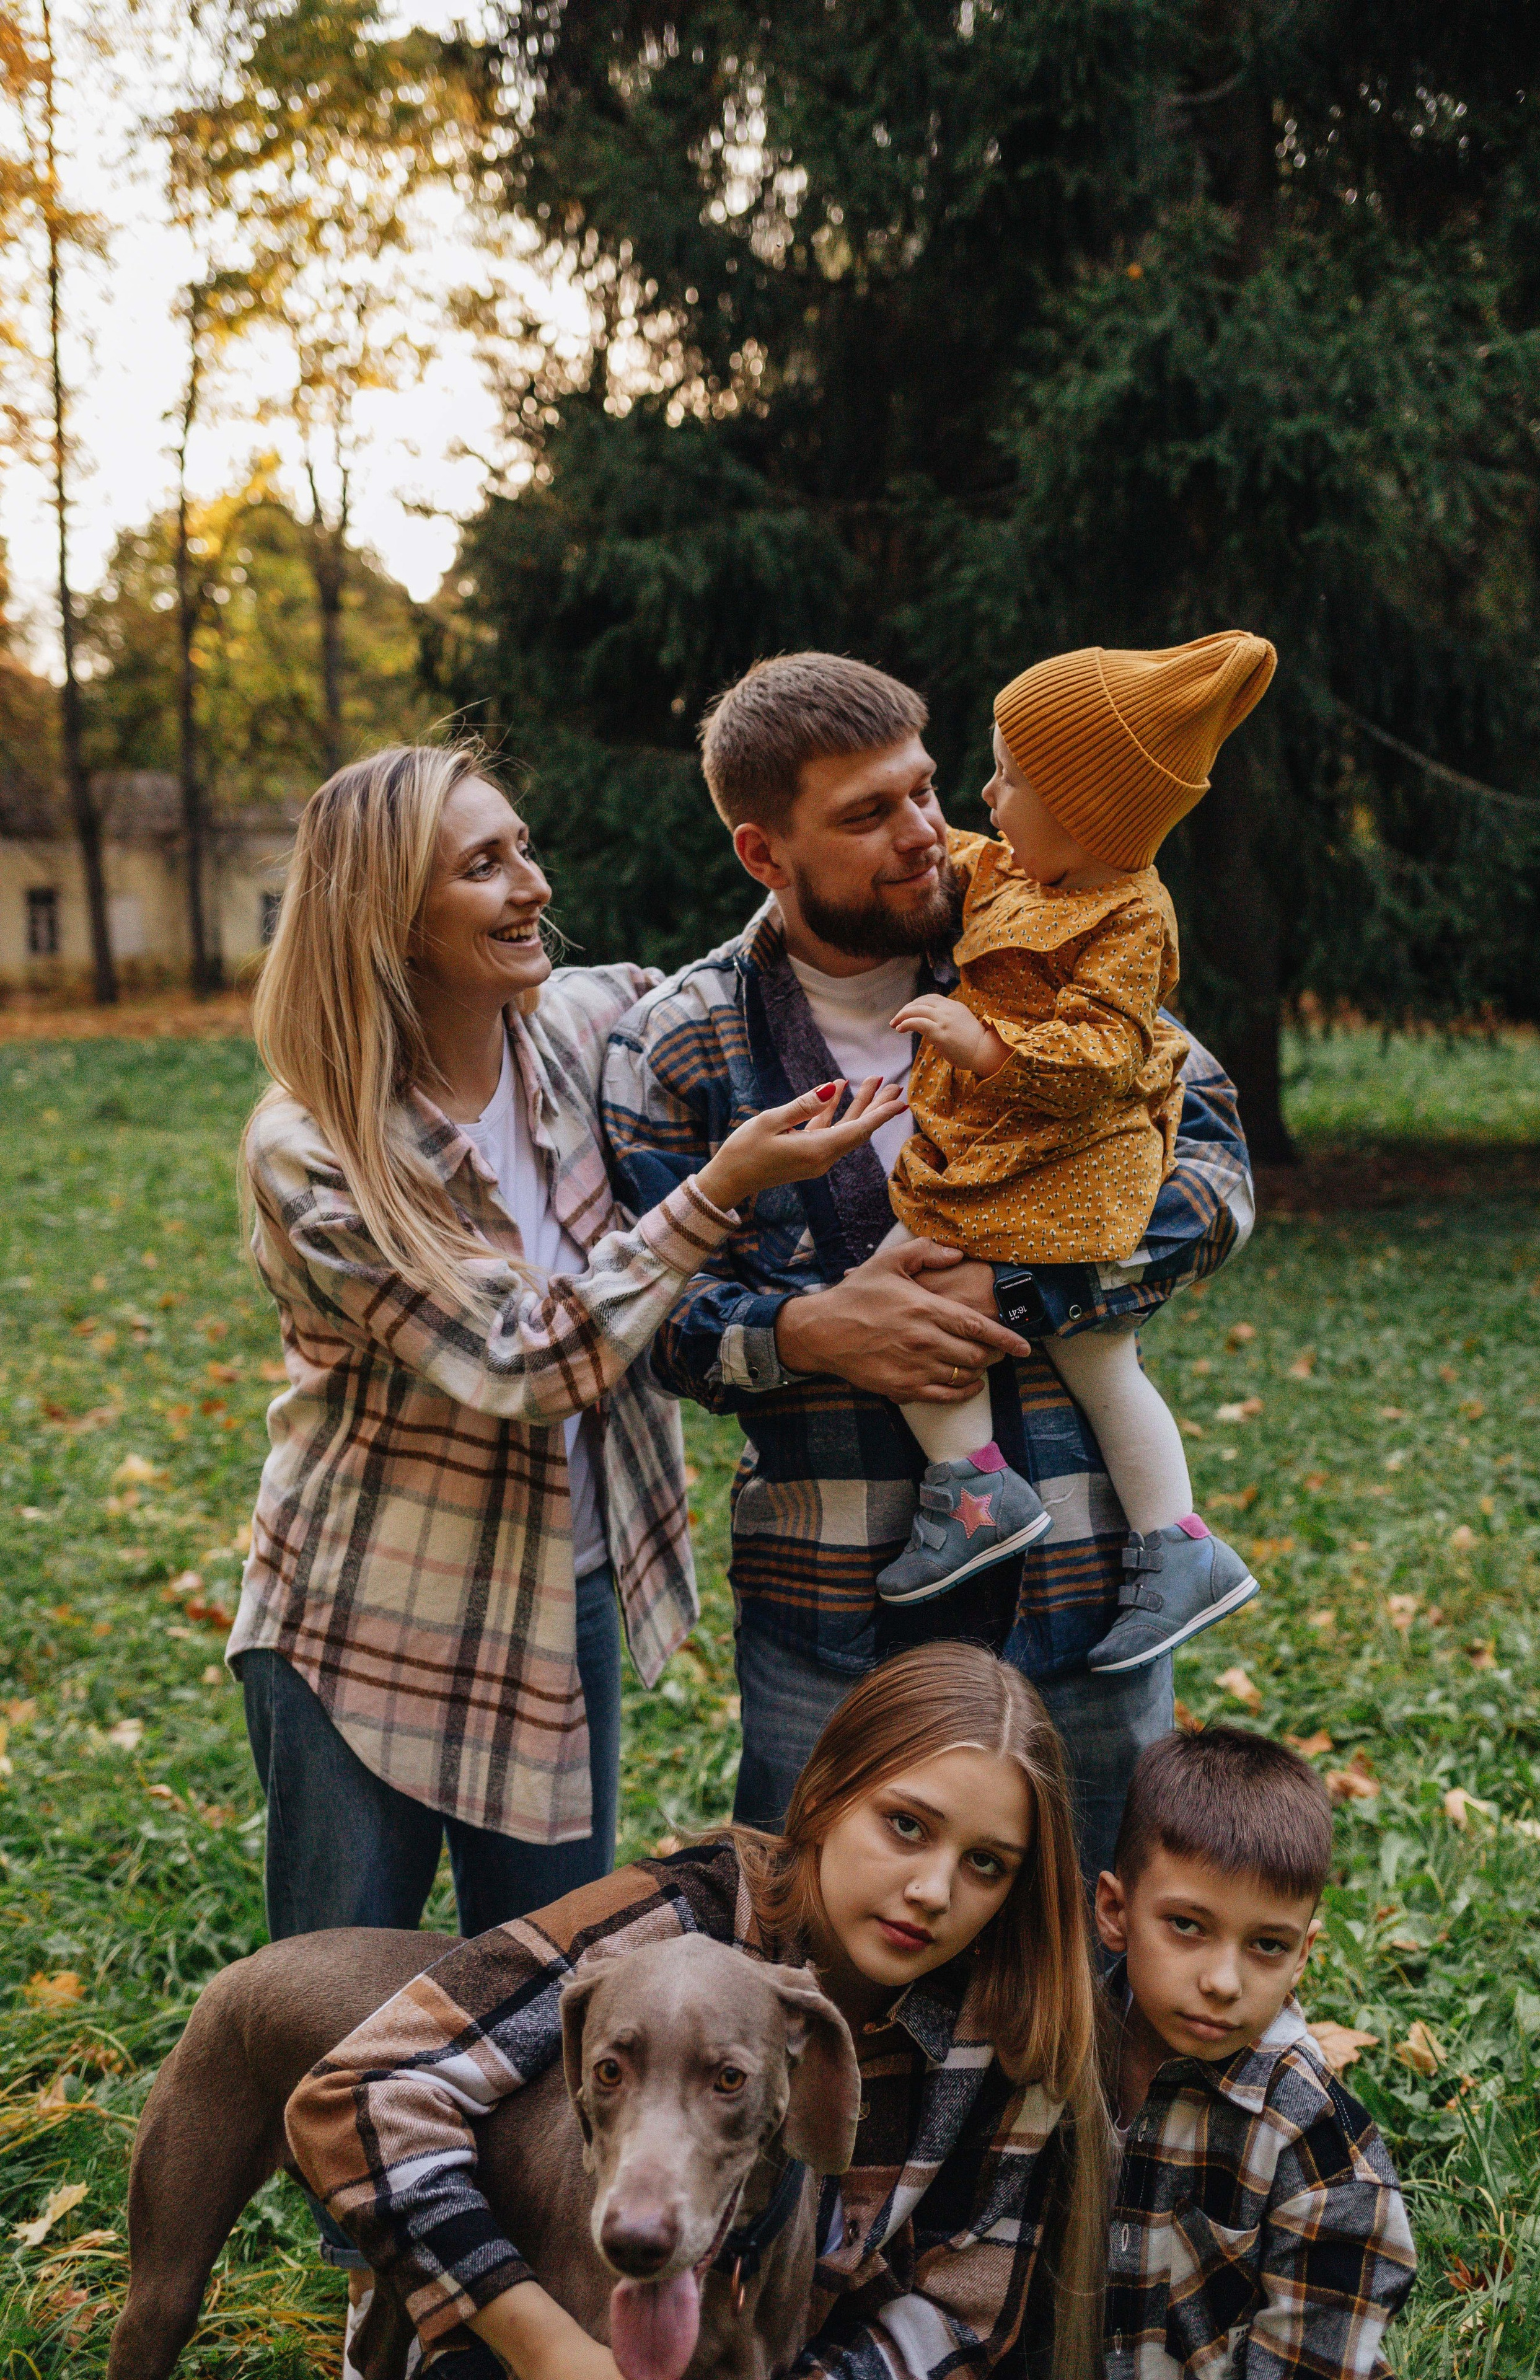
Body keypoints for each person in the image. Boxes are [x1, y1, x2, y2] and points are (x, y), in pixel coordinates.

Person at [224, 741, 903, 2298]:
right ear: (384, 916)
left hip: (559, 1599)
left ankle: (539, 2296)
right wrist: (713, 1191)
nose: (530, 884)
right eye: (481, 865)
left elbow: (744, 982)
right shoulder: (312, 1144)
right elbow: (522, 1360)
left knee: (548, 2011)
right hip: (365, 1622)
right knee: (351, 2015)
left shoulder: (584, 1025)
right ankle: (388, 2303)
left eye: (521, 847)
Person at [601, 653, 1254, 1884]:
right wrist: (810, 1334)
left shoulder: (1049, 934)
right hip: (840, 1614)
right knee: (806, 1972)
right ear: (761, 853)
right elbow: (654, 1312)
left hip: (1085, 1591)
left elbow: (1211, 1180)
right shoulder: (682, 1041)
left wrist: (1024, 1289)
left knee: (1094, 1963)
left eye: (924, 791)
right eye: (865, 817)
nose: (921, 836)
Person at [284, 1643, 1112, 2380]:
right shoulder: (671, 1929)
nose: (933, 1891)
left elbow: (959, 2307)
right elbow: (354, 2097)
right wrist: (544, 2346)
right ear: (825, 1796)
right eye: (905, 1826)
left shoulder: (1008, 2025)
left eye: (986, 1864)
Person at [875, 635, 1275, 1681]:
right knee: (1061, 1345)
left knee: (929, 1294)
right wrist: (906, 847)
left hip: (1068, 1165)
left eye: (1009, 775)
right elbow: (960, 854)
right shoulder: (1021, 862)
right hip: (1011, 1153)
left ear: (1084, 810)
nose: (984, 793)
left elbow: (1106, 1052)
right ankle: (1097, 1518)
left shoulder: (1130, 915)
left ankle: (1018, 1500)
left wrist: (987, 1044)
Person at [1095, 1728, 1417, 2380]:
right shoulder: (1054, 2053)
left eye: (1266, 1945)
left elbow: (1317, 2346)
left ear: (1303, 1955)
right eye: (1187, 1925)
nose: (1222, 1982)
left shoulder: (1314, 2135)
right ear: (1114, 1911)